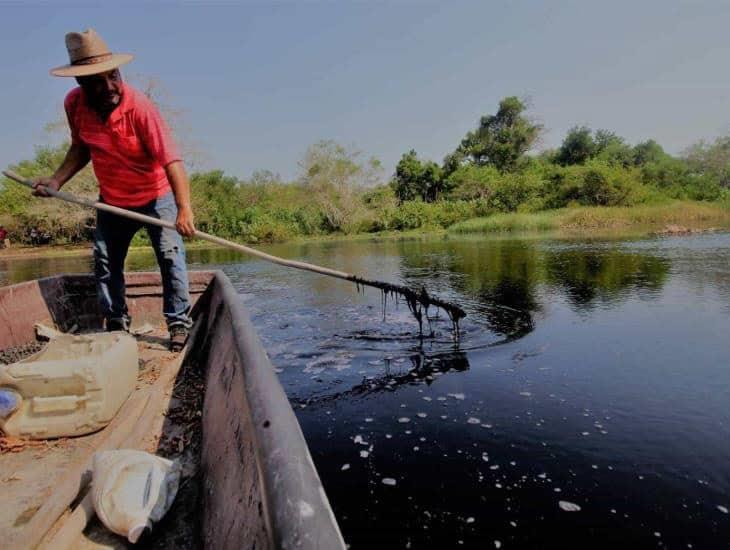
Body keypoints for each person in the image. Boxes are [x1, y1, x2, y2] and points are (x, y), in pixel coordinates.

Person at [32, 29, 195, 351]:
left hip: (155, 196)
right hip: (112, 200)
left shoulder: (139, 107)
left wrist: (184, 208)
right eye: (97, 81)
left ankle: (178, 322)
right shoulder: (74, 105)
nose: (109, 87)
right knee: (105, 261)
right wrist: (55, 181)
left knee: (170, 256)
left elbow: (171, 160)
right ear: (80, 84)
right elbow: (81, 148)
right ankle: (117, 321)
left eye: (113, 76)